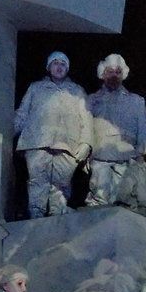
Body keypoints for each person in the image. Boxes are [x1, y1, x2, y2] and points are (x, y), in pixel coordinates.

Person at [14, 51, 92, 218]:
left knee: (61, 188)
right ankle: (36, 221)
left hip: (67, 145)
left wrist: (86, 143)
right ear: (49, 67)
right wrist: (8, 132)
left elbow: (86, 119)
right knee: (37, 184)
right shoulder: (35, 88)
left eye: (63, 64)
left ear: (68, 68)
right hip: (37, 143)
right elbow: (22, 114)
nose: (59, 66)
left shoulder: (77, 91)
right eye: (55, 63)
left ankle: (57, 224)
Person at [85, 53, 146, 207]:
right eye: (110, 71)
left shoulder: (136, 101)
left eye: (118, 72)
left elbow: (143, 131)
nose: (114, 75)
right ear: (103, 73)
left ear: (123, 75)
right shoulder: (92, 100)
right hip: (101, 157)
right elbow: (85, 127)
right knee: (98, 201)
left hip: (127, 158)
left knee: (123, 202)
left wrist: (141, 157)